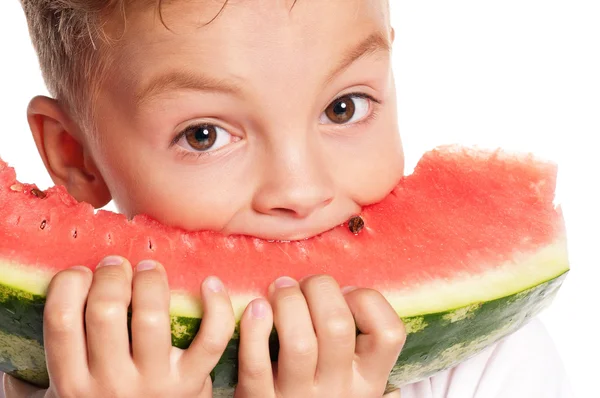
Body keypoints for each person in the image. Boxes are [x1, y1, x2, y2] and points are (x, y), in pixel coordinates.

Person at [2, 1, 572, 397]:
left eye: (343, 107)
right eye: (204, 135)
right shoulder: (35, 364)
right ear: (75, 154)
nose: (301, 191)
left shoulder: (494, 362)